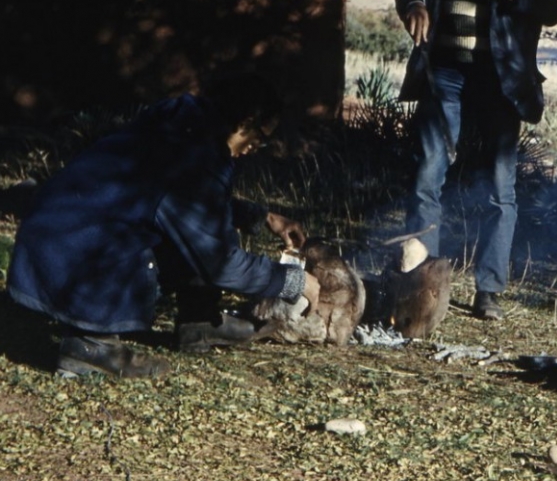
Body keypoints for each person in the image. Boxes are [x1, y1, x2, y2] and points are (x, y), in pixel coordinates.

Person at [6, 73, 321, 378]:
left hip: (54, 234)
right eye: (262, 139)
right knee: (194, 243)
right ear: (245, 122)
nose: (256, 148)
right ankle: (89, 344)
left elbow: (179, 204)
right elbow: (219, 263)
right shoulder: (196, 155)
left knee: (198, 231)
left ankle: (199, 321)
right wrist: (293, 281)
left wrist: (261, 216)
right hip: (75, 249)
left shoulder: (182, 124)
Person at [396, 0, 557, 320]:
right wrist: (412, 5)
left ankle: (488, 289)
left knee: (497, 187)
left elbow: (554, 8)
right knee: (427, 176)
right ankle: (421, 284)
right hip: (444, 73)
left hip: (498, 79)